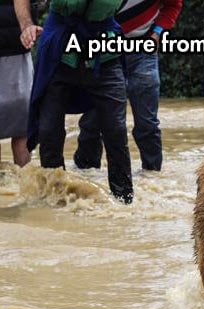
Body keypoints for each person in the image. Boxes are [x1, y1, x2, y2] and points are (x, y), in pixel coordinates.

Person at [15, 0, 134, 203]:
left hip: (105, 50)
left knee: (116, 132)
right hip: (59, 50)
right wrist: (26, 26)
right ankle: (55, 200)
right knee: (48, 131)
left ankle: (123, 202)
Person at [74, 0, 183, 172]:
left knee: (147, 122)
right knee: (93, 118)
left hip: (143, 49)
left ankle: (153, 175)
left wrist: (157, 33)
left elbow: (173, 5)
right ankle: (85, 180)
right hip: (104, 48)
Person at [0, 0, 32, 167]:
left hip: (17, 49)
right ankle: (25, 186)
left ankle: (18, 187)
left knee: (22, 129)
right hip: (17, 47)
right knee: (22, 130)